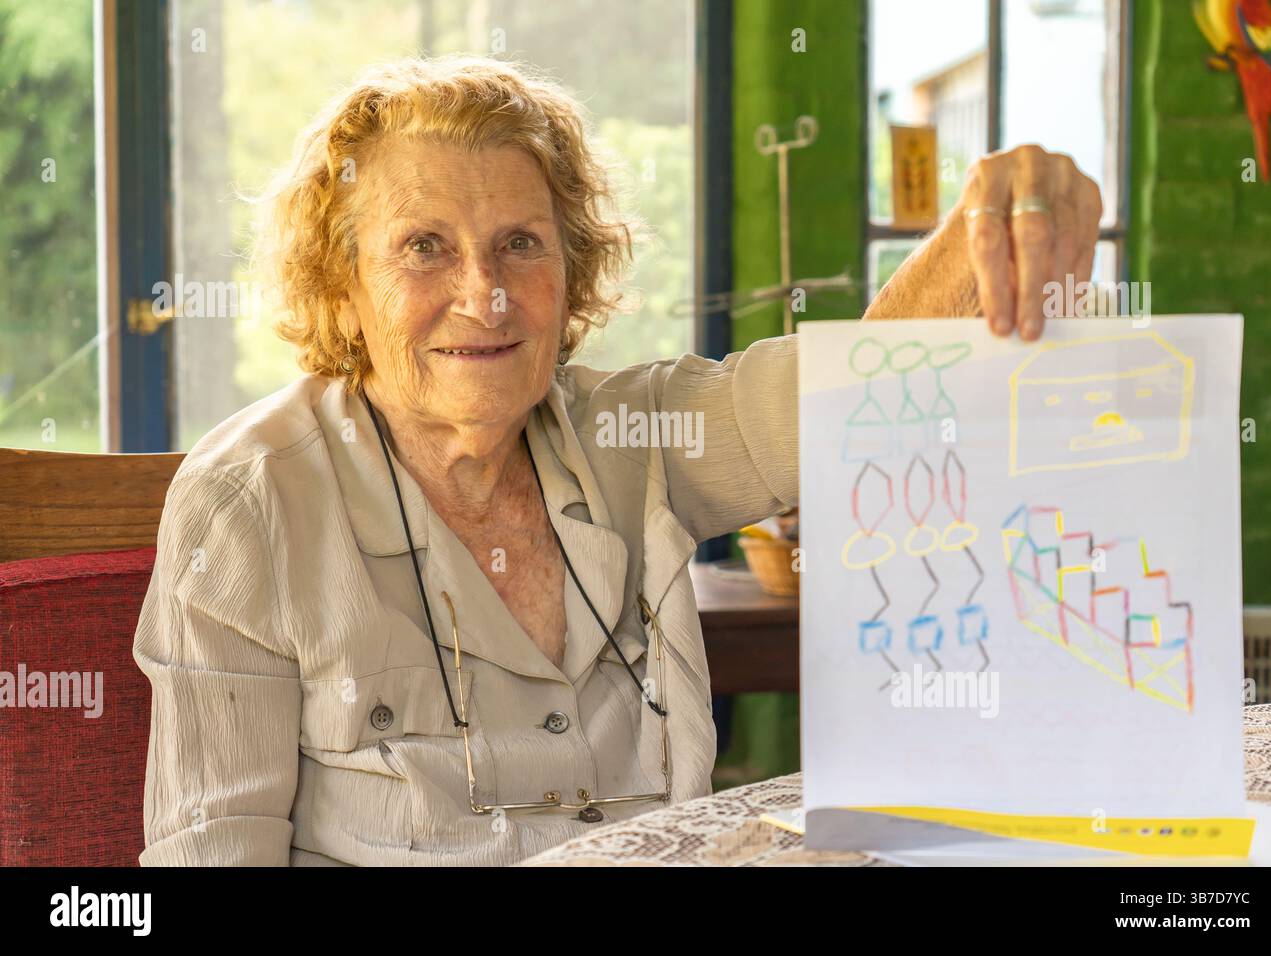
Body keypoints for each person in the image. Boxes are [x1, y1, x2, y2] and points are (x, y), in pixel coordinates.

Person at [133, 54, 1103, 865]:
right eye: (424, 247)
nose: (488, 295)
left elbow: (843, 394)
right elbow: (211, 853)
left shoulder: (631, 436)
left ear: (573, 275)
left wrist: (988, 219)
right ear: (341, 289)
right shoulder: (248, 502)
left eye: (522, 243)